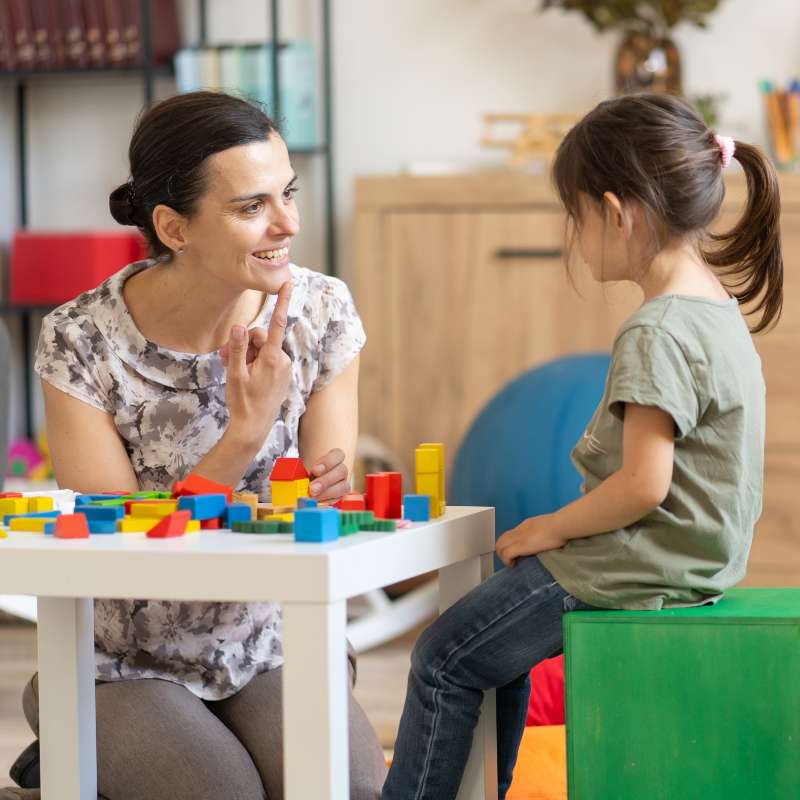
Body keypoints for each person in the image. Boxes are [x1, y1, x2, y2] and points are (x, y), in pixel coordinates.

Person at [382, 93, 783, 800]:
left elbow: (643, 486)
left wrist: (549, 529)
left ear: (617, 213)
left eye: (576, 217)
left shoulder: (656, 330)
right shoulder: (716, 309)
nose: (575, 235)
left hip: (638, 564)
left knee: (443, 658)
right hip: (699, 559)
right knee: (492, 652)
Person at [5, 91, 386, 800]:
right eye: (252, 207)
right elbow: (113, 549)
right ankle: (72, 731)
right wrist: (243, 434)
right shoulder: (80, 341)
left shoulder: (321, 313)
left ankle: (95, 763)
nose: (288, 224)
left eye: (288, 194)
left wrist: (333, 488)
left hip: (269, 643)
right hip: (122, 658)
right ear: (174, 229)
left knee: (351, 789)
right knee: (223, 793)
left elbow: (321, 497)